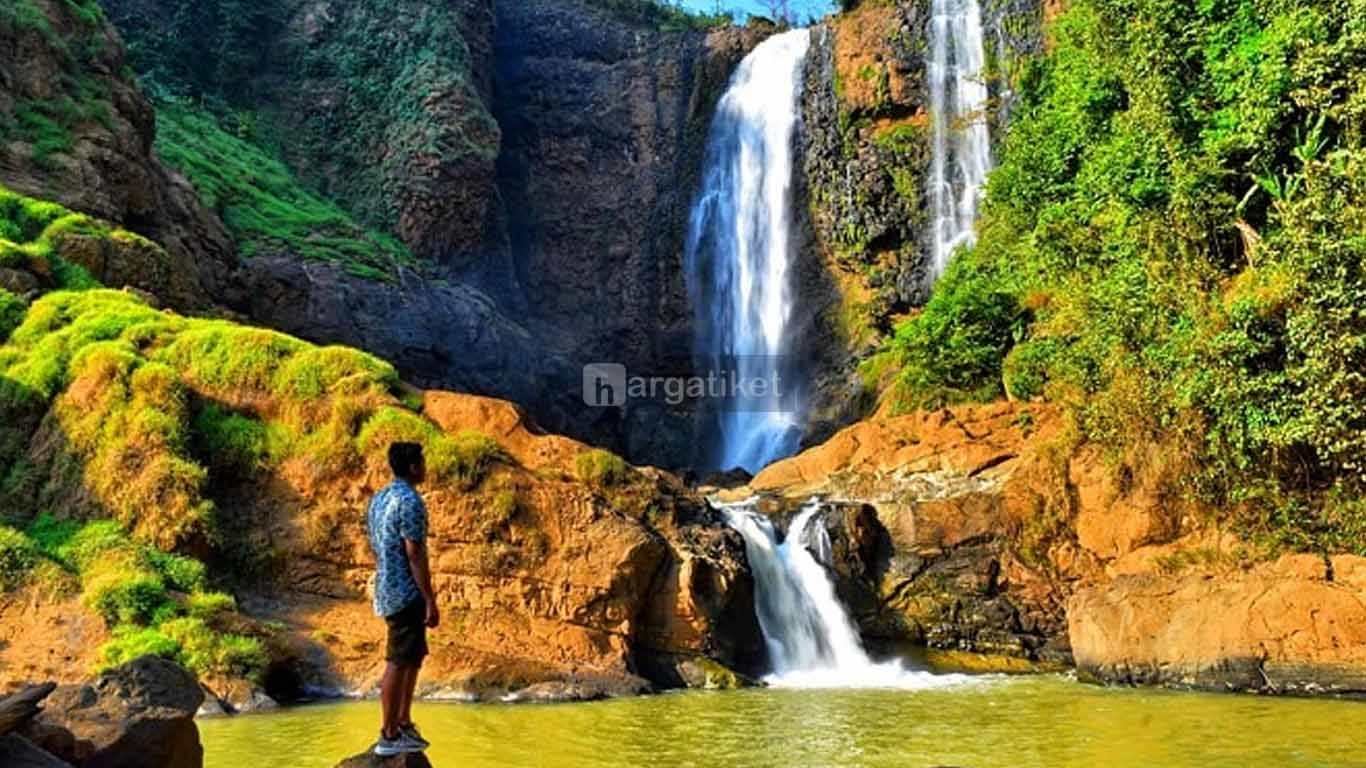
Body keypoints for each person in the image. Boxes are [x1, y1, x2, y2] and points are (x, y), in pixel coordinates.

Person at [366, 442, 439, 756]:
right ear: (412, 467)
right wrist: (429, 598)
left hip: (386, 586)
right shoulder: (409, 501)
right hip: (406, 592)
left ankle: (403, 723)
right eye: (422, 462)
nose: (425, 467)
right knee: (398, 661)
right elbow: (415, 553)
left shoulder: (381, 497)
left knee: (411, 656)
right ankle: (390, 733)